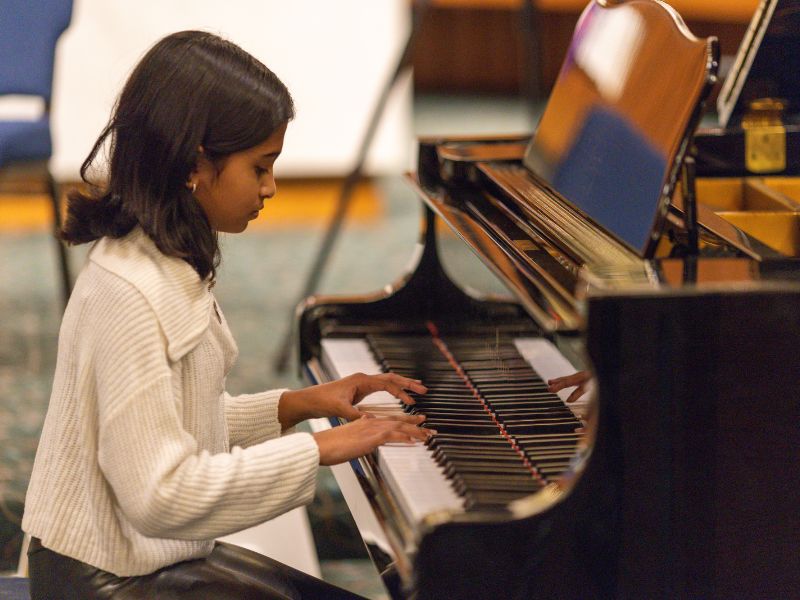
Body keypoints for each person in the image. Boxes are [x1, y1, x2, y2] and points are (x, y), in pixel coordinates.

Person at [22, 30, 433, 599]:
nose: (271, 187)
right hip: (105, 579)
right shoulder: (129, 294)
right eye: (260, 167)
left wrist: (302, 404)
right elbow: (160, 494)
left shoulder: (156, 256)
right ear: (196, 162)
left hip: (135, 558)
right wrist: (321, 448)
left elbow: (172, 426)